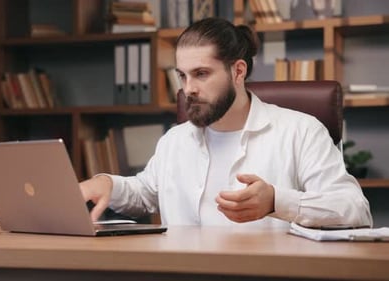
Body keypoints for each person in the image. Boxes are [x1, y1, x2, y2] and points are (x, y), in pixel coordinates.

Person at [80, 18, 372, 228]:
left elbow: (354, 209)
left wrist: (275, 201)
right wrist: (107, 183)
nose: (188, 88)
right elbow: (146, 192)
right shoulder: (175, 139)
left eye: (201, 73)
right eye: (182, 76)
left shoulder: (300, 131)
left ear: (238, 71)